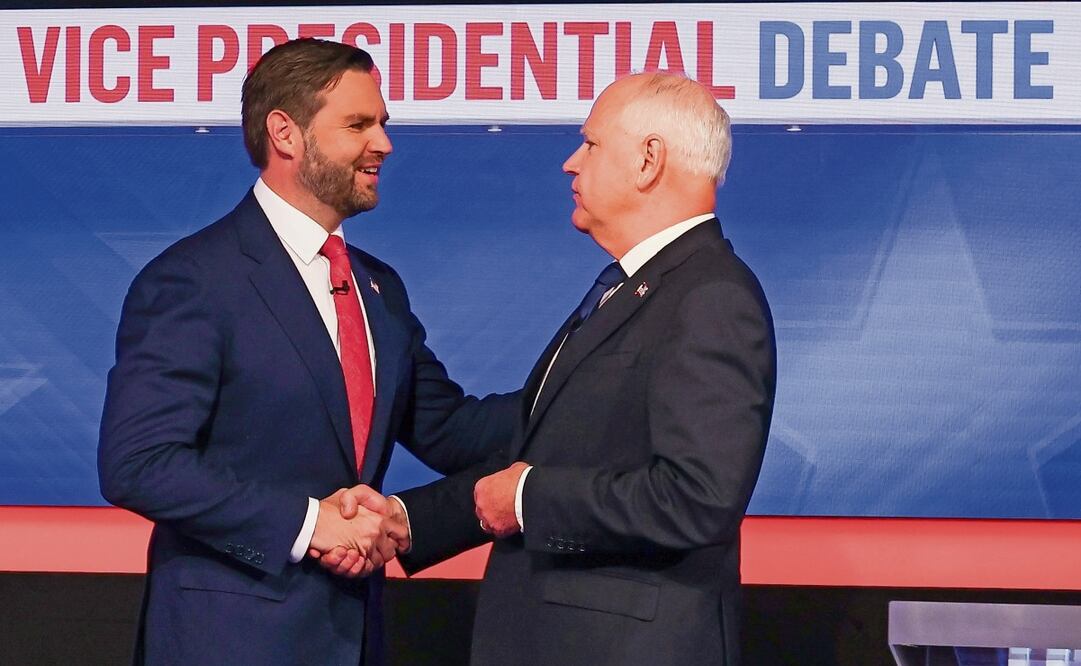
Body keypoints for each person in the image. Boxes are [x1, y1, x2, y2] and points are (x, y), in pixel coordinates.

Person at [97, 38, 514, 666]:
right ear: (285, 133)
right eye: (358, 124)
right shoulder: (194, 279)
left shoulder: (379, 287)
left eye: (383, 123)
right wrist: (309, 523)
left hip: (354, 636)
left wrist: (580, 392)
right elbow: (139, 462)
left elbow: (450, 430)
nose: (384, 143)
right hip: (226, 639)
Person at [341, 72, 776, 665]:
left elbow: (696, 498)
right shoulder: (633, 291)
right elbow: (533, 443)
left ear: (649, 160)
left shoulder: (710, 298)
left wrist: (527, 497)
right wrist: (408, 519)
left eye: (592, 144)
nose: (571, 163)